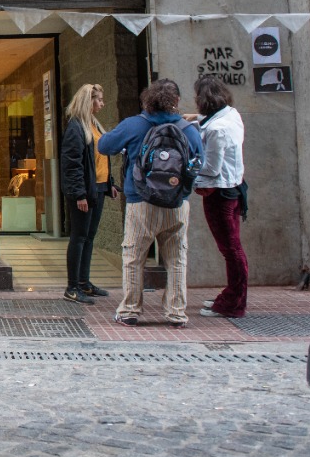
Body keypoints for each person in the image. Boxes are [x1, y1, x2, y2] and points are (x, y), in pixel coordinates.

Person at [98, 79, 204, 327]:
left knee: (134, 256)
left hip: (140, 201)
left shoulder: (135, 125)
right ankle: (176, 312)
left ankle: (130, 310)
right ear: (176, 101)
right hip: (177, 204)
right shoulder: (187, 130)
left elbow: (104, 146)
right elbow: (199, 161)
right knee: (177, 259)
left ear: (147, 100)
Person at [192, 75, 248, 318]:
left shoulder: (216, 129)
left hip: (219, 193)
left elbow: (211, 167)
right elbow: (207, 122)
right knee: (233, 248)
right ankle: (233, 295)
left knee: (231, 249)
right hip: (234, 188)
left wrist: (187, 166)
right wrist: (192, 119)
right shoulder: (231, 116)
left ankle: (232, 303)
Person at [59, 84, 118, 305]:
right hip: (84, 192)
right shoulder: (76, 127)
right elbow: (72, 164)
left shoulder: (94, 125)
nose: (102, 104)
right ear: (88, 101)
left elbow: (100, 159)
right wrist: (79, 194)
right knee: (79, 237)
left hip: (99, 188)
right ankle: (72, 287)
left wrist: (110, 183)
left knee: (89, 237)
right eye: (99, 100)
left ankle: (84, 282)